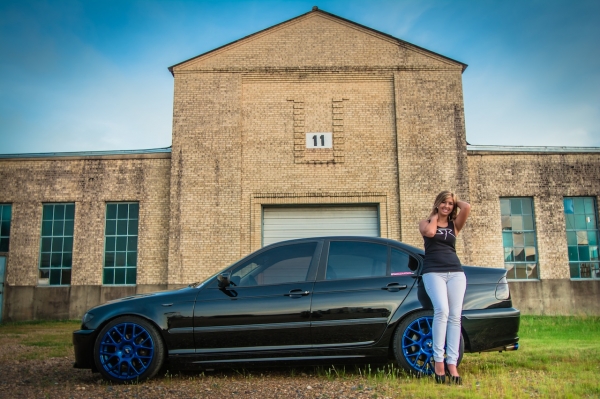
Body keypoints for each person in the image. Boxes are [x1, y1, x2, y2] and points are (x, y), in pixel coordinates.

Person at [418, 191, 471, 384]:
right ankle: (439, 362)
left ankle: (452, 364)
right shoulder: (425, 223)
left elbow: (466, 207)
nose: (447, 206)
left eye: (450, 204)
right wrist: (435, 215)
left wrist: (455, 201)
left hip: (456, 273)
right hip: (433, 272)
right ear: (437, 203)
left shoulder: (454, 225)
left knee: (455, 316)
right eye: (444, 202)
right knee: (442, 311)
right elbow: (431, 233)